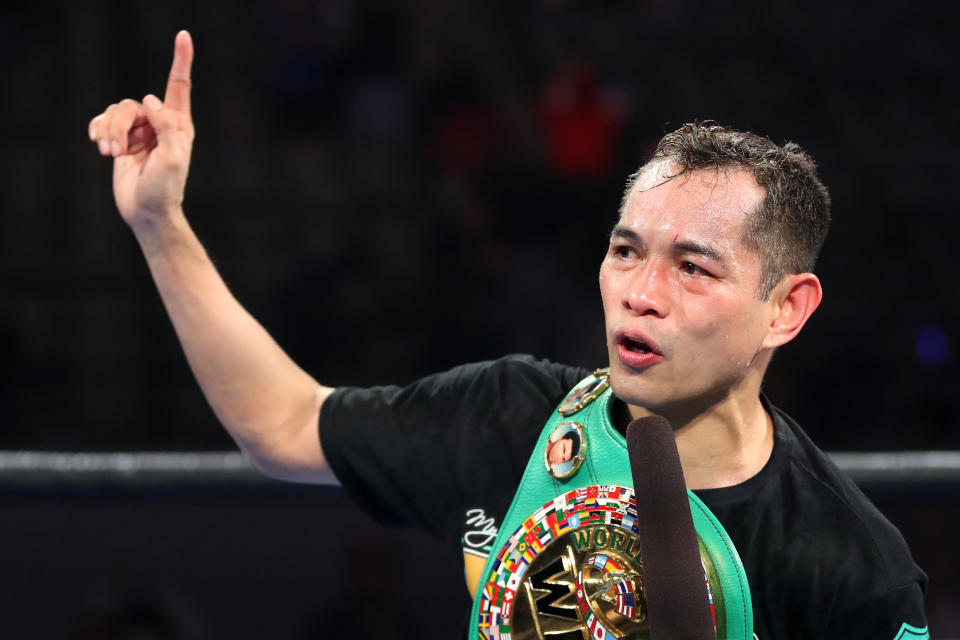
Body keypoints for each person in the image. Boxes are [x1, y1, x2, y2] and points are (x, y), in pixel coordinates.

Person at [89, 31, 929, 639]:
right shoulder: (510, 414)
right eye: (626, 250)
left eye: (694, 268)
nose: (640, 294)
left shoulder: (848, 565)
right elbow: (281, 425)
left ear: (785, 308)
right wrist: (161, 222)